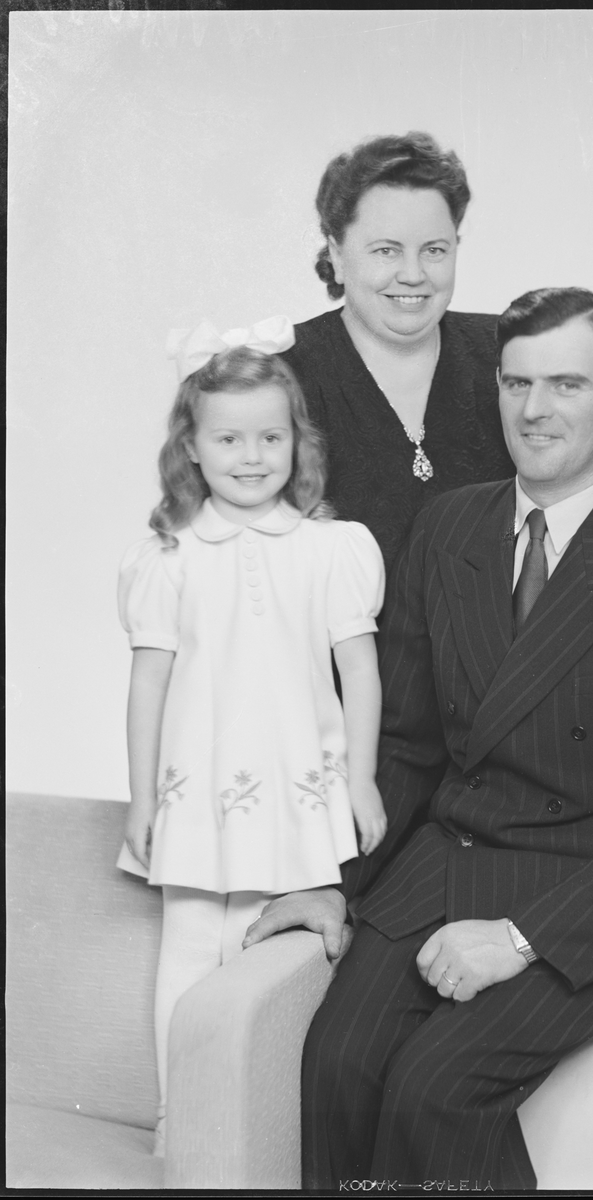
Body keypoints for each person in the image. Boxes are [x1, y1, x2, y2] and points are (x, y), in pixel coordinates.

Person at [244, 288, 593, 1190]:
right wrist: (333, 880)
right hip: (449, 864)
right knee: (336, 1066)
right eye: (515, 382)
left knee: (433, 1089)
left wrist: (520, 940)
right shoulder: (449, 525)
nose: (533, 410)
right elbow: (405, 746)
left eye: (567, 384)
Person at [116, 316, 386, 1156]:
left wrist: (361, 780)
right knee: (192, 944)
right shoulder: (168, 557)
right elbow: (149, 683)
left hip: (295, 784)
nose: (250, 455)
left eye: (270, 436)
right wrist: (141, 797)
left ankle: (234, 1129)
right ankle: (178, 1117)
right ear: (191, 448)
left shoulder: (330, 549)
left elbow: (360, 671)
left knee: (261, 954)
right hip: (200, 786)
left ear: (297, 442)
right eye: (228, 438)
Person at [283, 131, 515, 575]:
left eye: (434, 250)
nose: (413, 274)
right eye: (386, 250)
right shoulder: (279, 375)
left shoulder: (509, 352)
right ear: (337, 254)